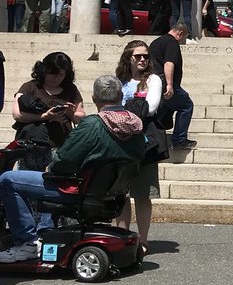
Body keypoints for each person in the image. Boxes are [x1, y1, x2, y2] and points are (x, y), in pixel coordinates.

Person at [0, 74, 145, 264]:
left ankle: (26, 243)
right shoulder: (135, 125)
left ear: (94, 98)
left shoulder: (93, 125)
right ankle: (44, 231)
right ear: (120, 96)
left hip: (80, 191)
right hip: (113, 194)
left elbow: (63, 162)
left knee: (8, 180)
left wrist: (51, 166)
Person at [115, 39, 165, 249]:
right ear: (129, 58)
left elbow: (151, 108)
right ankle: (121, 236)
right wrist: (133, 106)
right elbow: (108, 106)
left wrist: (123, 111)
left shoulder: (153, 79)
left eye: (146, 56)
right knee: (120, 194)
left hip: (144, 144)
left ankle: (142, 239)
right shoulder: (119, 80)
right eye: (138, 56)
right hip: (119, 143)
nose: (143, 59)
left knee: (143, 195)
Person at [12, 52, 86, 178]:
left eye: (60, 75)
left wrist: (70, 112)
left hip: (60, 146)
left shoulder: (71, 90)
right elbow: (17, 114)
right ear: (43, 70)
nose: (55, 78)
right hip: (32, 147)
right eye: (52, 74)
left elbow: (81, 116)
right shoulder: (30, 87)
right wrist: (44, 117)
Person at [149, 22, 195, 150]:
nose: (182, 41)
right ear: (180, 33)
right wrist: (169, 84)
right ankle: (179, 139)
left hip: (154, 82)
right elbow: (169, 63)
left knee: (165, 110)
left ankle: (157, 138)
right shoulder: (171, 43)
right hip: (165, 82)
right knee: (186, 105)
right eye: (184, 37)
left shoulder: (156, 42)